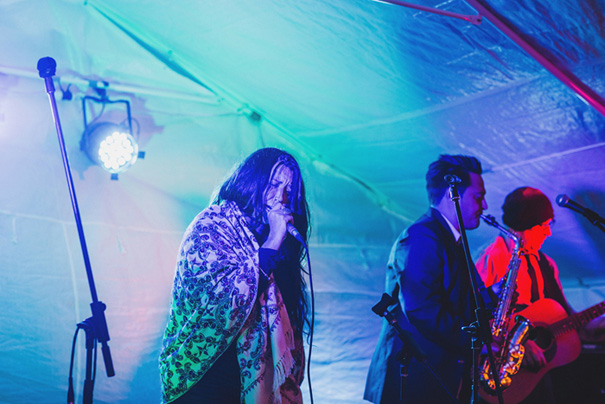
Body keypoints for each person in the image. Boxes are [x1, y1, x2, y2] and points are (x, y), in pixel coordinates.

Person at [159, 148, 310, 404]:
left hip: (252, 383)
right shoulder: (211, 226)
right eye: (274, 184)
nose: (281, 197)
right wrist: (273, 241)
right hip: (203, 377)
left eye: (289, 190)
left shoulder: (279, 242)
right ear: (253, 181)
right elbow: (223, 307)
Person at [364, 154, 497, 404]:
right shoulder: (421, 237)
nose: (485, 205)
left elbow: (458, 299)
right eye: (478, 197)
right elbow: (422, 309)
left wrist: (493, 296)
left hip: (434, 378)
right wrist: (475, 340)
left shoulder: (451, 239)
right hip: (414, 381)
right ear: (451, 194)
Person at [475, 186, 605, 403]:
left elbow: (569, 321)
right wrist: (518, 345)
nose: (548, 233)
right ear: (523, 226)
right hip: (503, 376)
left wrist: (597, 321)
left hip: (543, 378)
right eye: (544, 225)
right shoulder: (492, 259)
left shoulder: (547, 264)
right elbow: (475, 320)